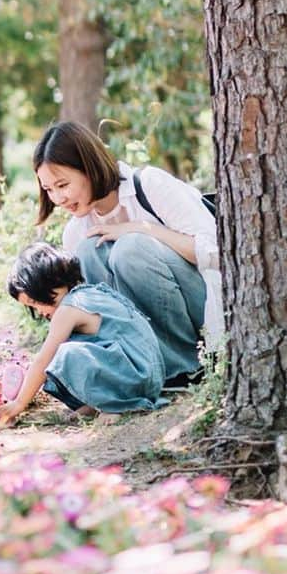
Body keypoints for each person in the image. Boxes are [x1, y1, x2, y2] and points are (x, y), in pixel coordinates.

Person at [32, 121, 221, 387]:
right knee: (89, 249)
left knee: (130, 248)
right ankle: (146, 367)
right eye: (49, 189)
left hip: (205, 304)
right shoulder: (76, 231)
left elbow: (216, 253)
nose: (58, 198)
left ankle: (187, 367)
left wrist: (140, 229)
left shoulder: (150, 185)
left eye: (62, 185)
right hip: (147, 342)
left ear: (89, 168)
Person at [0, 242, 166, 423]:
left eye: (35, 301)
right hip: (147, 373)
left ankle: (116, 405)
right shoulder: (88, 293)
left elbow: (44, 359)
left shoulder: (69, 309)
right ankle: (98, 403)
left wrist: (19, 403)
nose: (38, 311)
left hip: (136, 374)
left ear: (44, 282)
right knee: (60, 360)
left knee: (64, 355)